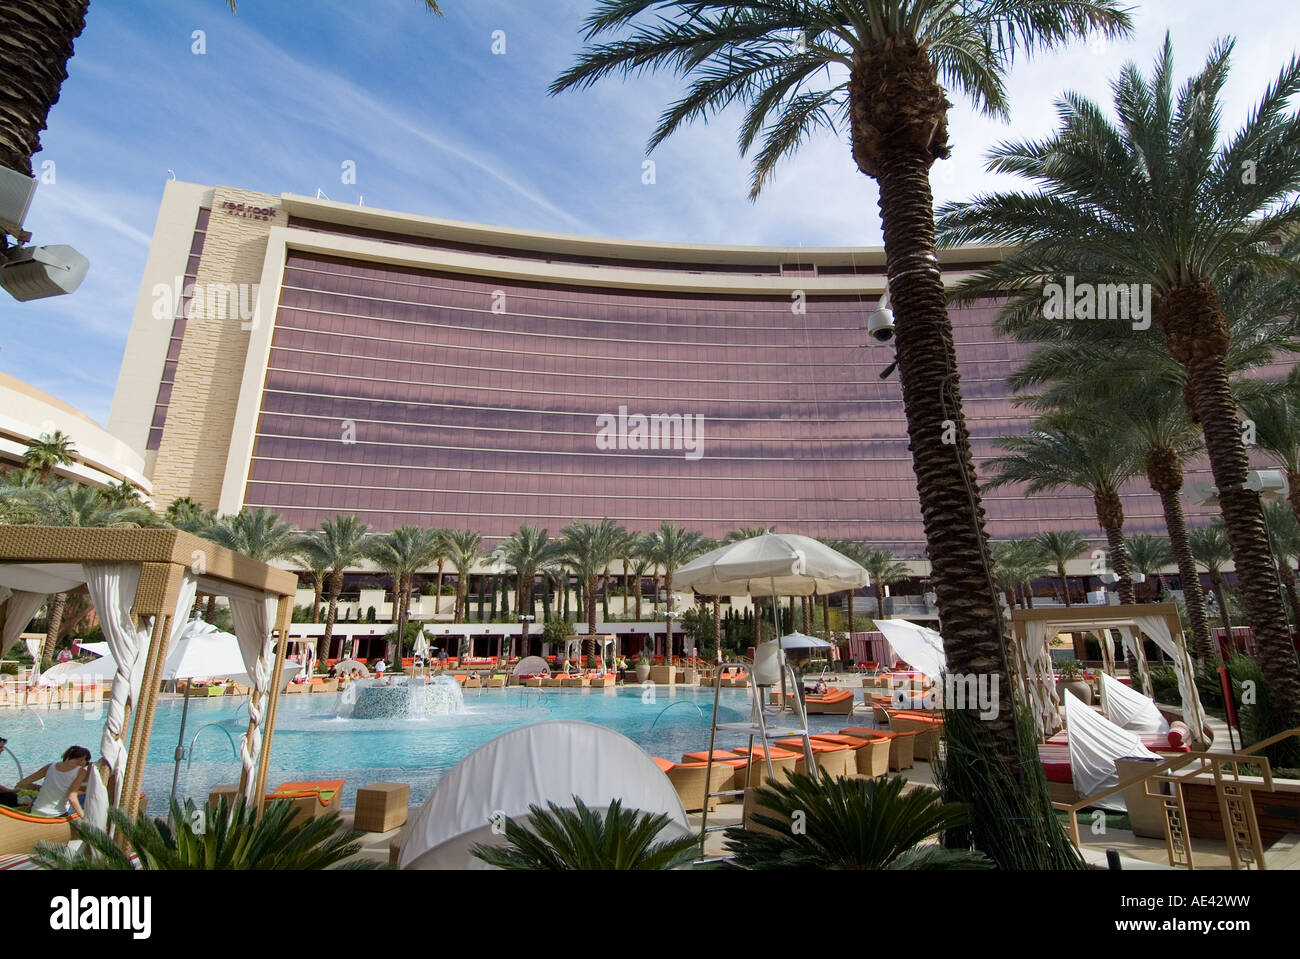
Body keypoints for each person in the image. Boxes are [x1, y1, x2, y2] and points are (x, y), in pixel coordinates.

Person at [17, 746, 91, 817]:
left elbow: (21, 784)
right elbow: (72, 797)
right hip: (57, 814)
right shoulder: (81, 772)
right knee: (86, 796)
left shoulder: (50, 766)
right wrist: (84, 817)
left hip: (36, 811)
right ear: (82, 759)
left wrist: (39, 787)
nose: (85, 765)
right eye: (86, 763)